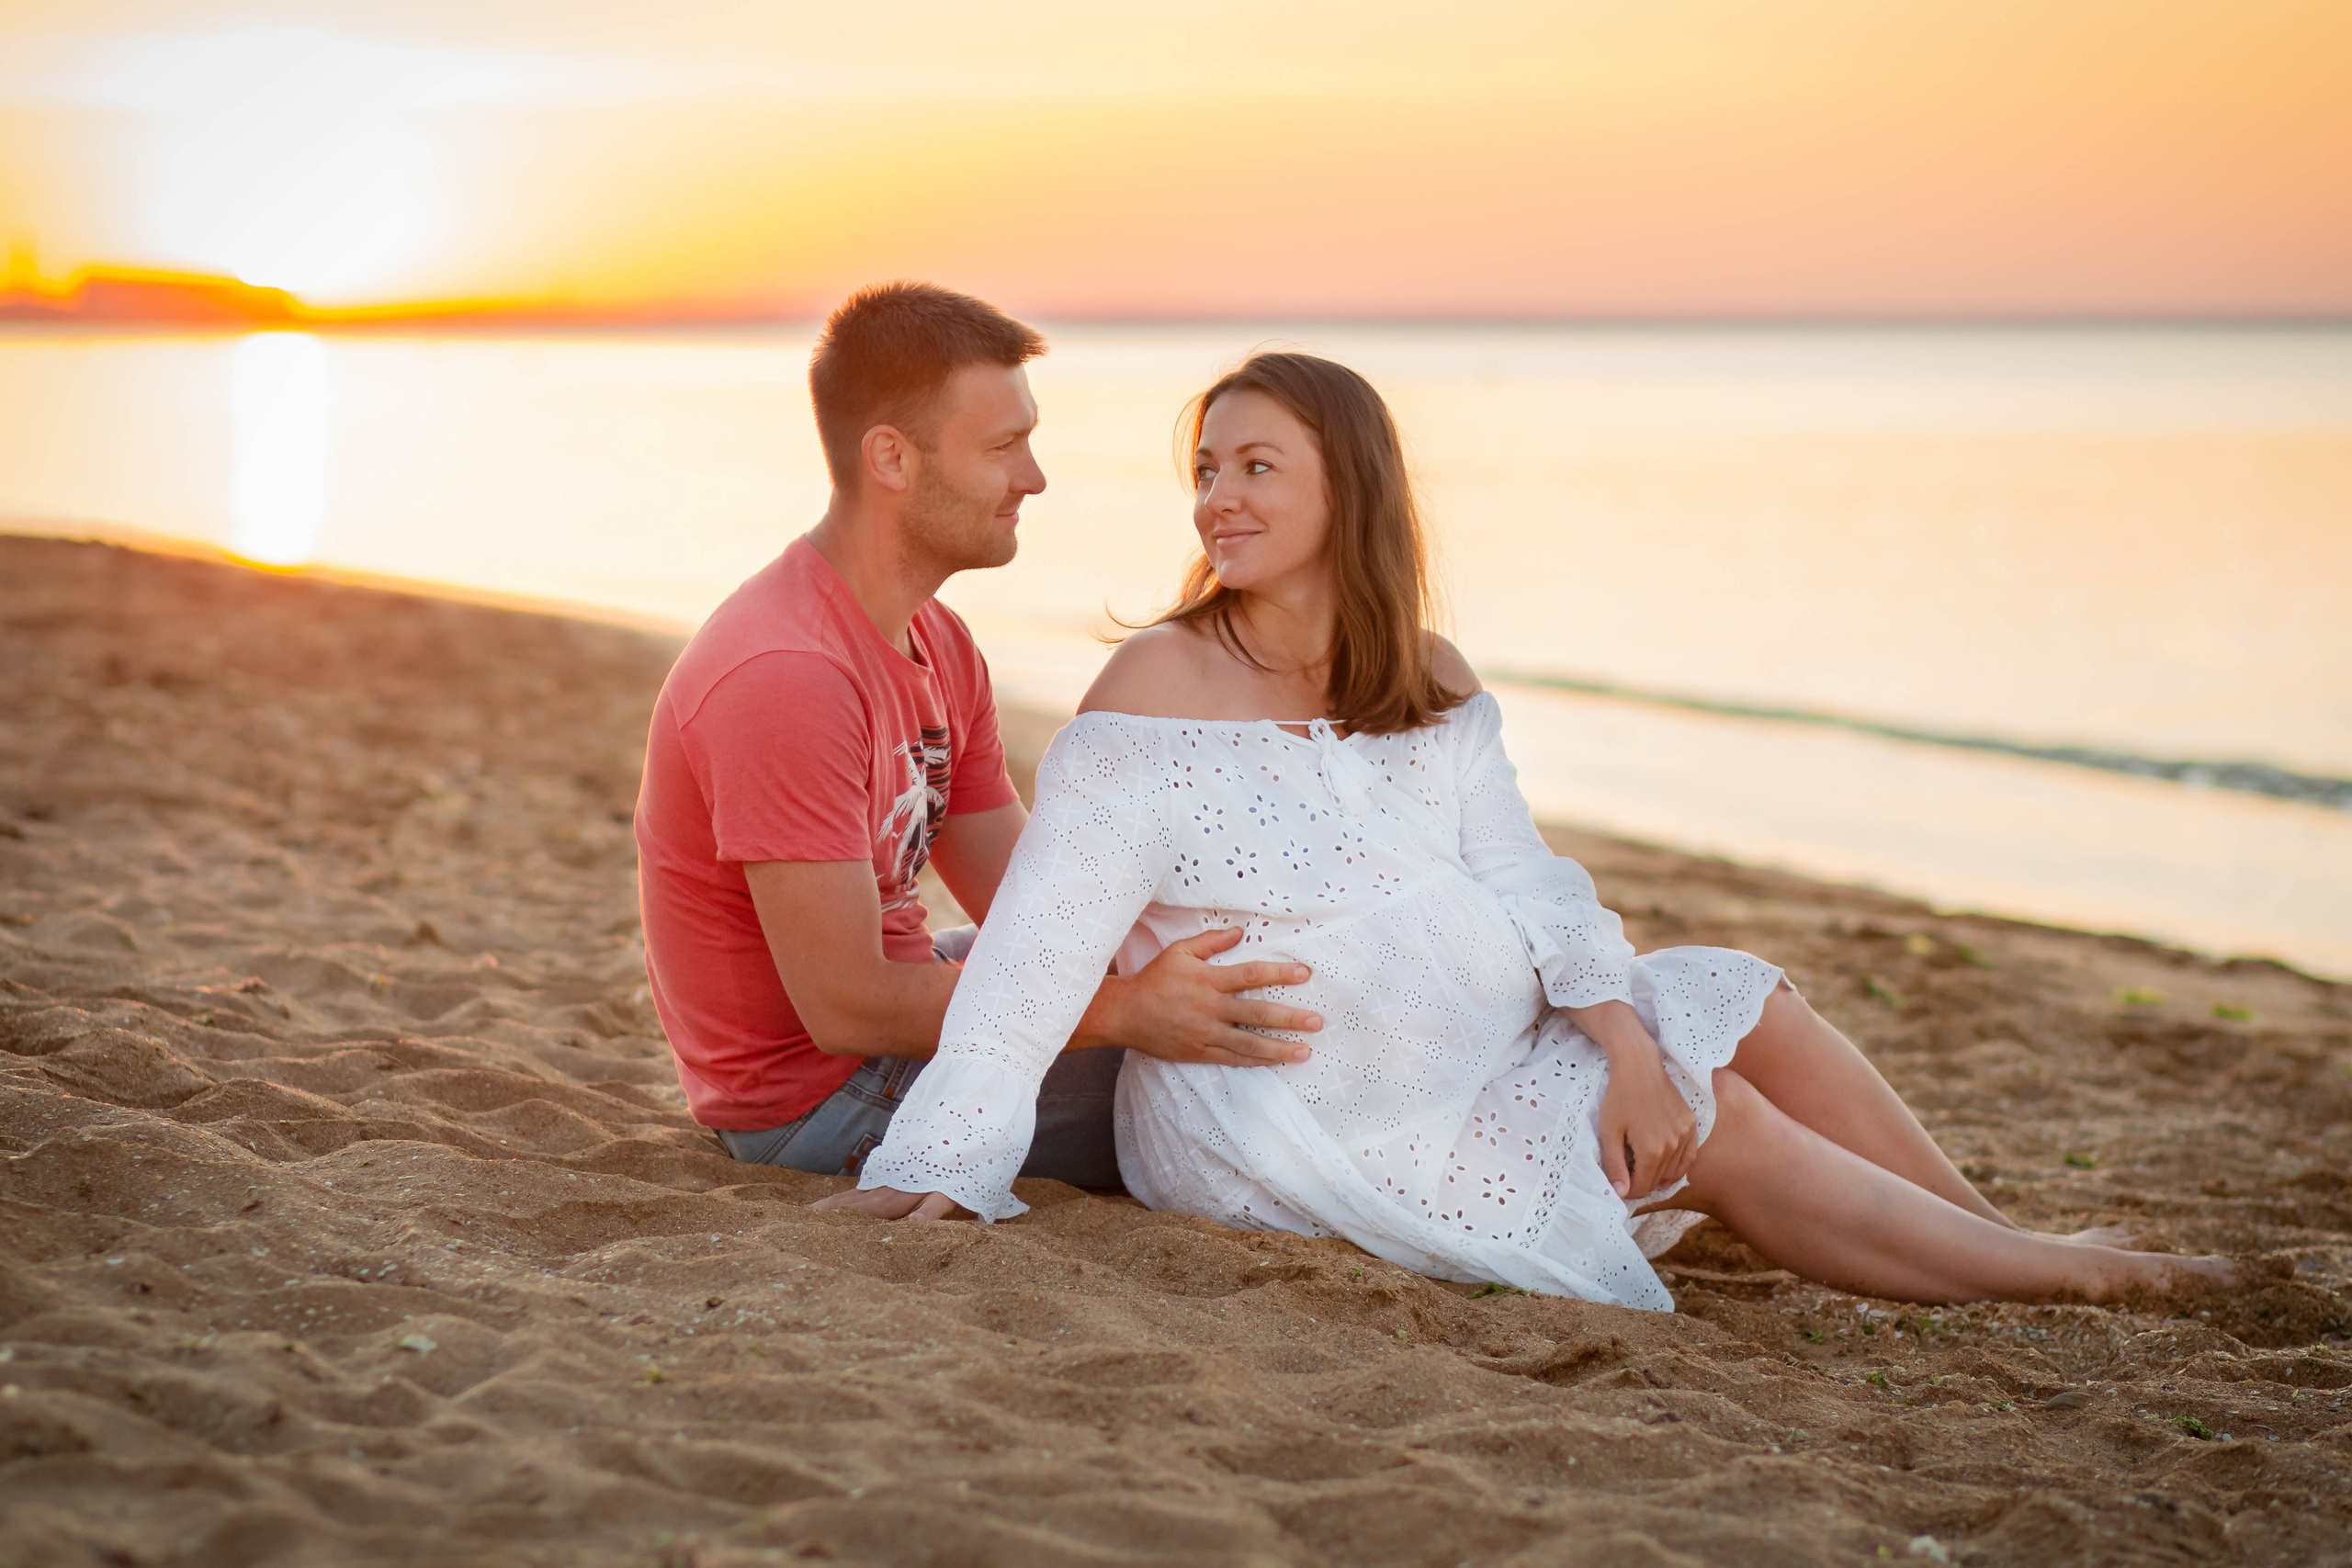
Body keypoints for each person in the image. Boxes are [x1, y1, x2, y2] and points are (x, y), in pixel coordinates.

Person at [829, 350, 2233, 1310]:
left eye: (1258, 465)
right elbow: (1039, 943)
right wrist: (946, 1159)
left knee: (1745, 996)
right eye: (1207, 468)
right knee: (1718, 1116)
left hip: (1473, 1048)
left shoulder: (1425, 672)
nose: (1218, 498)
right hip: (1288, 1112)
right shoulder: (1155, 686)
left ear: (1346, 487)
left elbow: (1522, 873)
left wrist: (1621, 1039)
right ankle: (2068, 1274)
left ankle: (1995, 1234)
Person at [634, 284, 1322, 1185]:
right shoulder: (785, 674)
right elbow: (848, 1007)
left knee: (1254, 999)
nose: (1033, 478)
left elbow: (1037, 899)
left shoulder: (938, 642)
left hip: (899, 1019)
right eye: (1004, 447)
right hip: (821, 1098)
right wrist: (1123, 1013)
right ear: (891, 459)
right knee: (1250, 1091)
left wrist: (1241, 930)